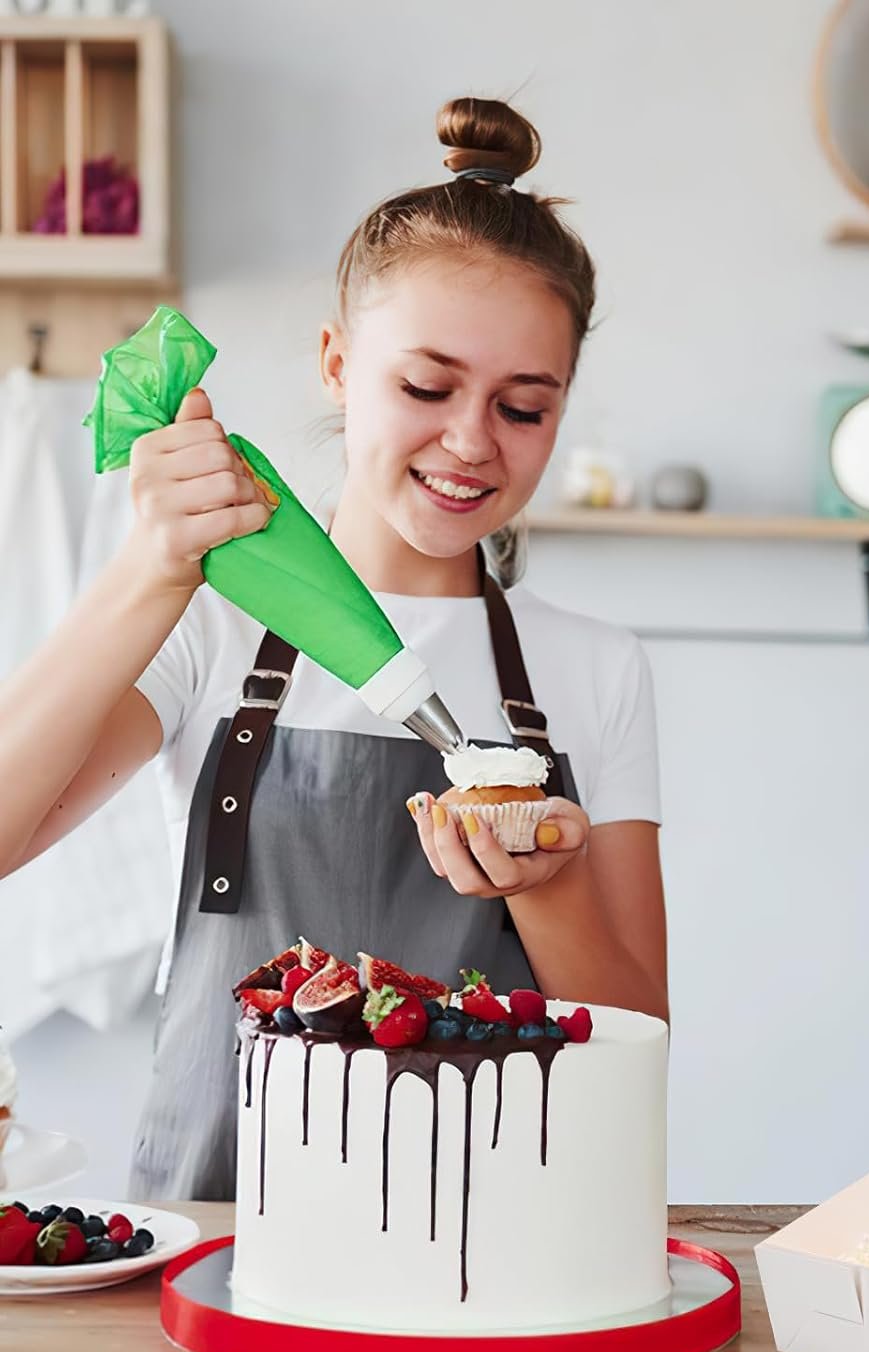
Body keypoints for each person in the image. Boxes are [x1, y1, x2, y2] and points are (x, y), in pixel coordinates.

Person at [0, 97, 668, 1200]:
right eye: (425, 385)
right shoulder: (205, 626)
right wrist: (151, 570)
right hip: (223, 1238)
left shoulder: (596, 669)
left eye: (524, 408)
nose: (469, 442)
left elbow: (638, 1033)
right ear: (335, 363)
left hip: (487, 1241)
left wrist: (543, 887)